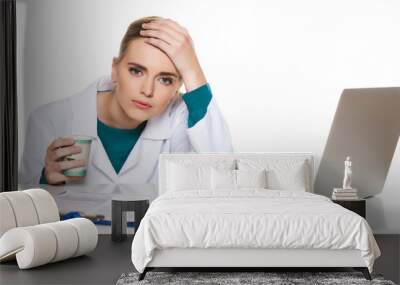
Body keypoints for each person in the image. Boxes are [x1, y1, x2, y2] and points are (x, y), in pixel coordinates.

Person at [19, 16, 233, 186]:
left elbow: (224, 175)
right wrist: (45, 180)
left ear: (176, 89)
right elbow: (21, 210)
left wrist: (192, 69)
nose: (147, 90)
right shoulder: (49, 120)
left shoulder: (179, 120)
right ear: (115, 70)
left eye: (165, 79)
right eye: (136, 71)